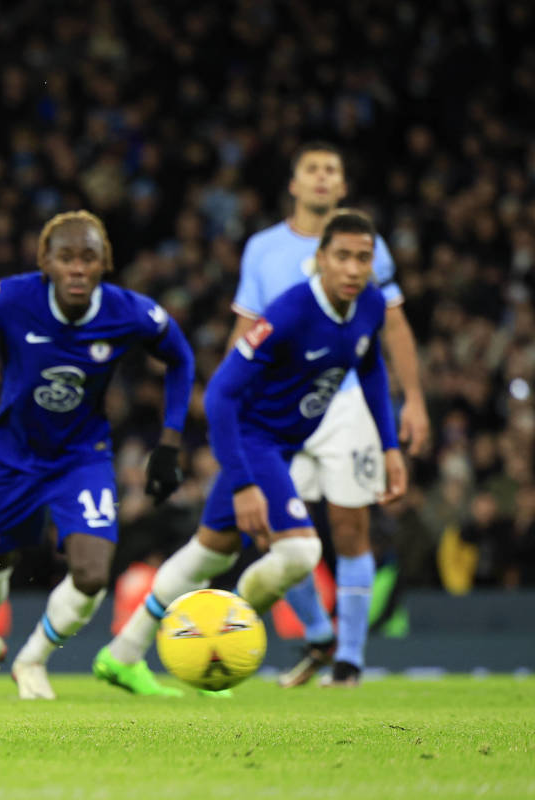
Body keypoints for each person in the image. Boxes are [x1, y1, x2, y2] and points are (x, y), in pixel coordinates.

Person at [95, 210, 407, 695]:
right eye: (342, 256)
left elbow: (369, 369)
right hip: (257, 440)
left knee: (207, 554)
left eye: (363, 258)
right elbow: (220, 394)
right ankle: (229, 621)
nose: (352, 268)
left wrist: (389, 446)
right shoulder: (289, 313)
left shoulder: (368, 305)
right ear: (320, 259)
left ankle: (121, 654)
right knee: (302, 549)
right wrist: (242, 482)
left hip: (287, 444)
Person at [0, 210, 195, 700]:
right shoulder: (10, 298)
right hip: (12, 453)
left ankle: (31, 660)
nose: (76, 268)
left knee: (93, 573)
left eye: (88, 258)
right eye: (65, 258)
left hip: (81, 456)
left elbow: (180, 356)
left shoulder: (130, 312)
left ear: (104, 264)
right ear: (45, 263)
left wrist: (170, 443)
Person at [227, 142, 429, 687]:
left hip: (345, 404)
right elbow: (245, 332)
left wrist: (413, 398)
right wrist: (227, 405)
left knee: (349, 526)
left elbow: (392, 326)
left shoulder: (367, 248)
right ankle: (318, 635)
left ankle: (351, 660)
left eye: (332, 171)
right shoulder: (262, 249)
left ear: (342, 186)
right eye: (312, 170)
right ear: (293, 184)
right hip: (277, 407)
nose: (322, 178)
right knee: (278, 531)